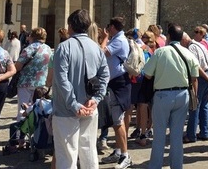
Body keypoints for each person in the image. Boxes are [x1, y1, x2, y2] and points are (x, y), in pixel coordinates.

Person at [52, 9, 109, 169]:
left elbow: (61, 80)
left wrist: (74, 104)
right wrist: (96, 99)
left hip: (66, 110)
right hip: (90, 106)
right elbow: (105, 76)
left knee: (66, 156)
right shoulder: (97, 48)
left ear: (70, 26)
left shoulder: (63, 48)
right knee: (89, 151)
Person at [143, 24, 199, 169]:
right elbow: (194, 78)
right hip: (183, 94)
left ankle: (155, 166)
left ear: (168, 37)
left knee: (159, 134)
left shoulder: (160, 52)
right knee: (177, 134)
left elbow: (147, 74)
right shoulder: (188, 54)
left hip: (163, 95)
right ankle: (176, 166)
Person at [100, 17, 132, 168]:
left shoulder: (119, 40)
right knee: (115, 120)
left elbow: (102, 53)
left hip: (119, 83)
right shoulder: (117, 39)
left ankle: (125, 155)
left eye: (108, 27)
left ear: (112, 27)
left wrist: (104, 38)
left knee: (118, 121)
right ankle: (119, 151)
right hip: (114, 82)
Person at [15, 27, 52, 120]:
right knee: (38, 108)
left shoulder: (29, 49)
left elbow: (18, 66)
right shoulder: (48, 49)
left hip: (26, 82)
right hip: (41, 83)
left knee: (23, 109)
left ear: (32, 36)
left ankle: (22, 129)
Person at [182, 30, 208, 143]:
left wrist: (206, 78)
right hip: (207, 73)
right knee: (204, 105)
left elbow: (196, 67)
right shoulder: (200, 45)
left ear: (184, 40)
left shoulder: (191, 48)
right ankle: (204, 132)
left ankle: (191, 135)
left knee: (194, 106)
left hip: (201, 77)